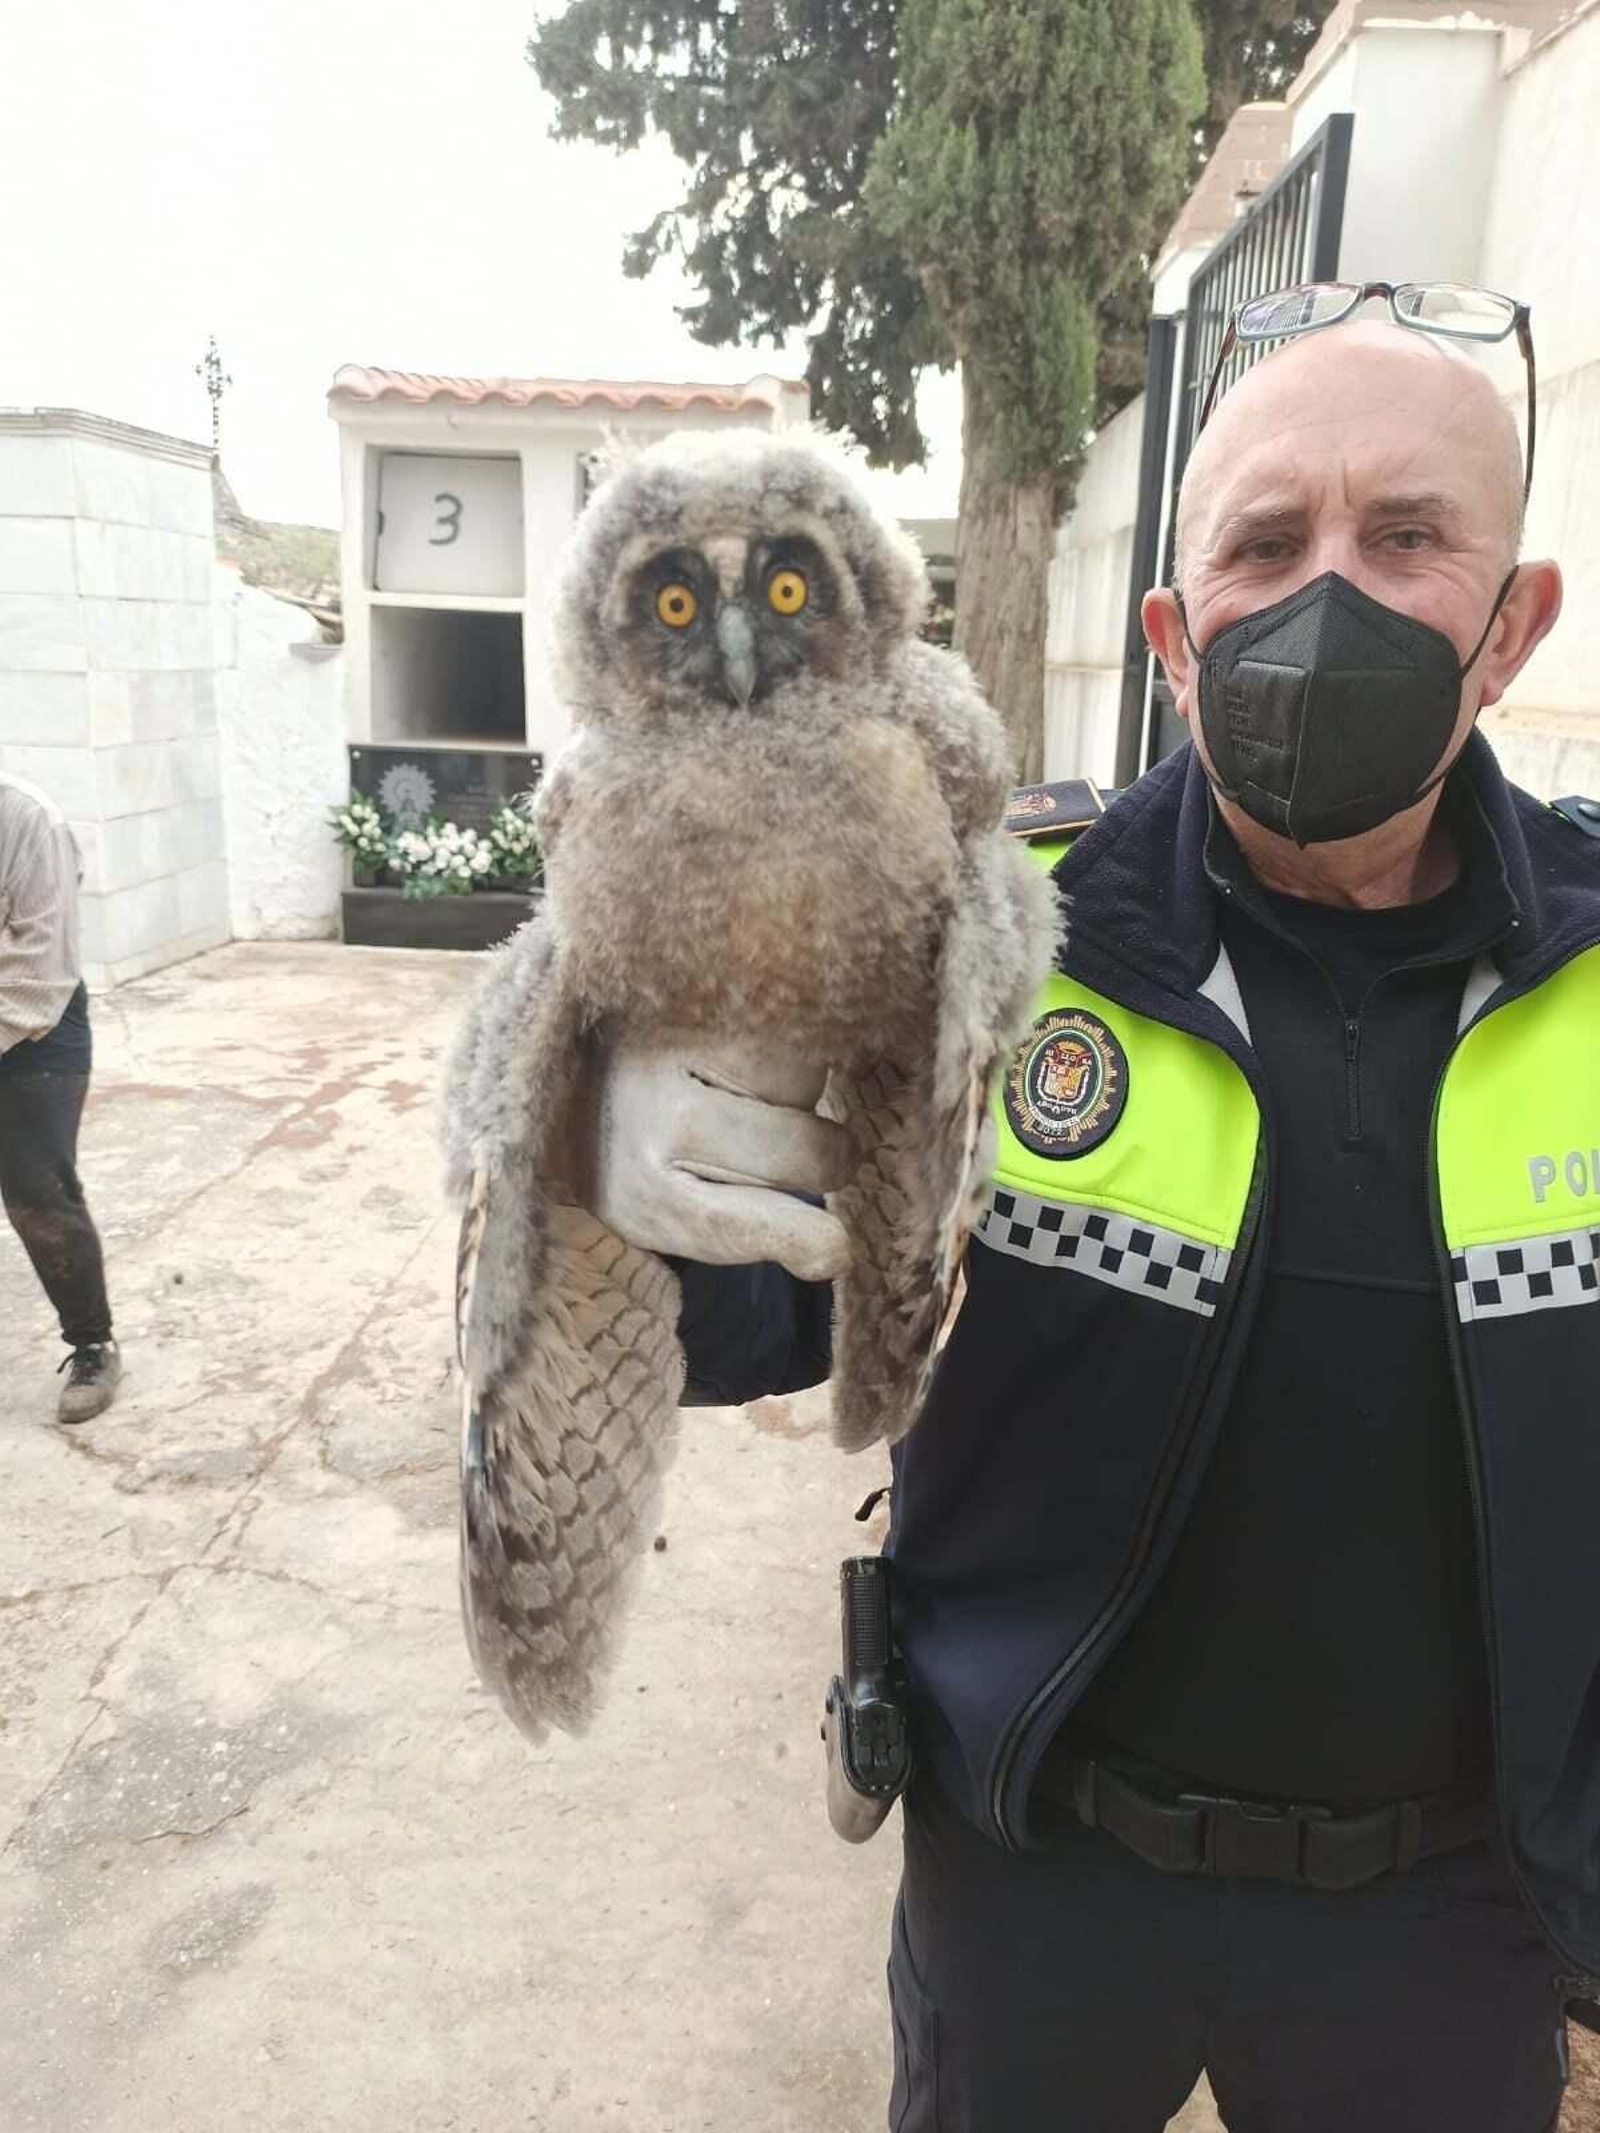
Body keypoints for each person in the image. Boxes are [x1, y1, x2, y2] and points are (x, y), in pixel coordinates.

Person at [572, 303, 1600, 2130]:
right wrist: (605, 1132)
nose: (1326, 598)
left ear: (1512, 626)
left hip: (1448, 1916)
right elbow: (737, 1323)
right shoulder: (983, 940)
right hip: (1039, 1869)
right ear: (1176, 638)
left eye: (1407, 539)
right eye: (1268, 547)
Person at [0, 771, 121, 1422]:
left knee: (37, 1192)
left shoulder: (27, 820)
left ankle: (92, 1343)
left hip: (36, 1027)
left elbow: (41, 966)